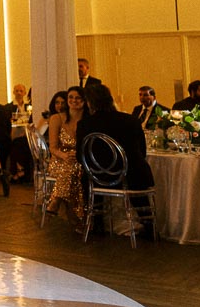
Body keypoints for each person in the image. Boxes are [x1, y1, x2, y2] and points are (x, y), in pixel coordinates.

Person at [77, 84, 153, 234]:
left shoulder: (85, 124)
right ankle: (148, 222)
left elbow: (81, 157)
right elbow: (142, 152)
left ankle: (96, 223)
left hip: (99, 177)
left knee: (87, 176)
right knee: (137, 168)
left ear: (89, 102)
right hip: (132, 175)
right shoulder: (130, 120)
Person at [45, 86, 89, 228]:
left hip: (80, 160)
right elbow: (52, 148)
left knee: (75, 167)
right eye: (71, 97)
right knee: (73, 167)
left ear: (84, 100)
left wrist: (76, 156)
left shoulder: (88, 119)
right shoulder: (57, 118)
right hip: (59, 160)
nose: (73, 100)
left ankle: (56, 199)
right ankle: (77, 218)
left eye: (77, 98)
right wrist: (64, 156)